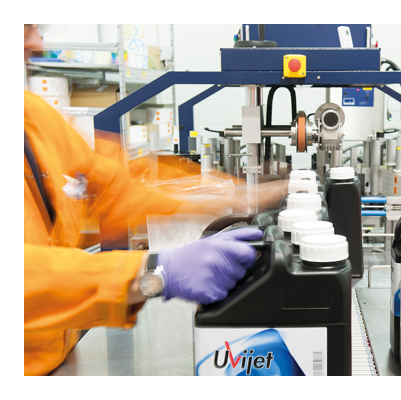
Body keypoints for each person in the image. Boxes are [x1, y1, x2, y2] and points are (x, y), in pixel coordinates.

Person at [24, 25, 284, 376]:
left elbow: (116, 187)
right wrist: (152, 272)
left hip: (58, 356)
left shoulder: (34, 117)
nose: (37, 43)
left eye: (36, 28)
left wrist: (229, 194)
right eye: (25, 29)